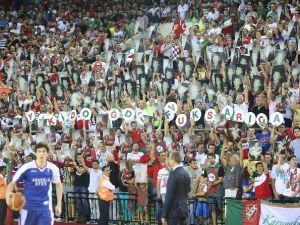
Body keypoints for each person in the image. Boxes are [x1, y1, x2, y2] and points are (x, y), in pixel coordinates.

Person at [6, 142, 63, 225]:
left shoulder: (53, 168)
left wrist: (59, 204)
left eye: (44, 151)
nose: (41, 154)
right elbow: (12, 182)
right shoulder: (27, 167)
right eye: (39, 151)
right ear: (35, 153)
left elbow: (58, 184)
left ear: (47, 154)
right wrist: (8, 193)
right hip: (28, 207)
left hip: (45, 208)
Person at [161, 151, 190, 225]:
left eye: (170, 159)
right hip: (184, 209)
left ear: (174, 160)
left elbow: (169, 196)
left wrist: (164, 214)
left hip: (174, 211)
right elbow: (188, 191)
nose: (169, 161)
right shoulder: (186, 174)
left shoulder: (173, 174)